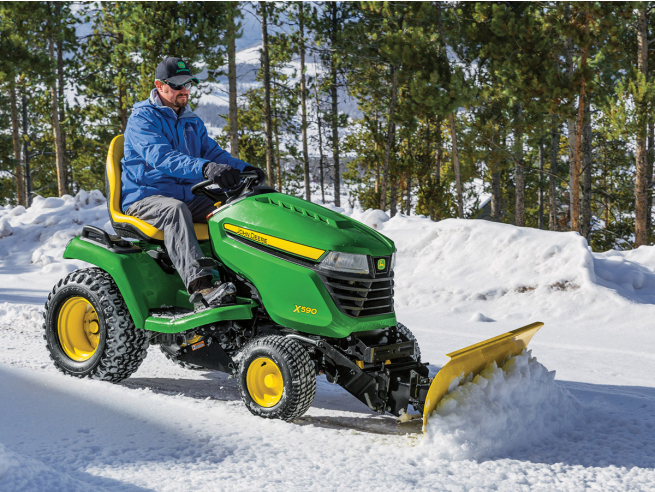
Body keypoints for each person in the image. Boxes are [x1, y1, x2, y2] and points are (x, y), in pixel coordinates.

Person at [120, 56, 265, 307]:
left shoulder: (191, 121)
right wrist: (205, 168)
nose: (184, 90)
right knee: (175, 211)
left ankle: (250, 279)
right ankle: (202, 287)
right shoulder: (143, 119)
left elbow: (213, 153)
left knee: (234, 207)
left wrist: (245, 169)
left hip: (186, 195)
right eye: (177, 85)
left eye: (188, 84)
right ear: (159, 85)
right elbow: (161, 157)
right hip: (146, 198)